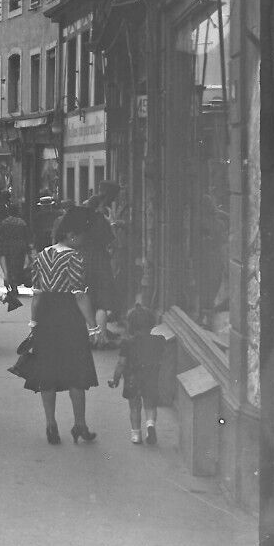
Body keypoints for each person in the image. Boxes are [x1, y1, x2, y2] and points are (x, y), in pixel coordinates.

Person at [20, 207, 99, 445]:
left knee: (48, 372)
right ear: (72, 235)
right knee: (76, 372)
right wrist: (93, 326)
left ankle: (51, 424)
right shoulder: (75, 257)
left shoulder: (43, 255)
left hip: (45, 316)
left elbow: (37, 294)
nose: (84, 240)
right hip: (68, 317)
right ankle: (79, 424)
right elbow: (79, 295)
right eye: (83, 236)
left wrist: (33, 323)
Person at [109, 298, 164, 445]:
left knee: (134, 407)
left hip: (132, 378)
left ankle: (136, 435)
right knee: (150, 404)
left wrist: (115, 379)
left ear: (131, 325)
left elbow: (121, 363)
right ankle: (150, 425)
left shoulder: (127, 343)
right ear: (152, 323)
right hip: (151, 377)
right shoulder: (159, 340)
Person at [80, 186, 119, 344]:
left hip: (84, 261)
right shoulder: (101, 220)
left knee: (87, 298)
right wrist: (112, 223)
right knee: (102, 302)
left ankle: (91, 337)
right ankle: (101, 338)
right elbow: (111, 241)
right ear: (98, 206)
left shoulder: (81, 222)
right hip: (100, 261)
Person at [0, 202, 32, 309]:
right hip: (20, 247)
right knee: (17, 266)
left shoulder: (4, 222)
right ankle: (15, 285)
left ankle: (11, 287)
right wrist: (28, 249)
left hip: (6, 247)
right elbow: (26, 236)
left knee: (8, 268)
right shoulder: (22, 223)